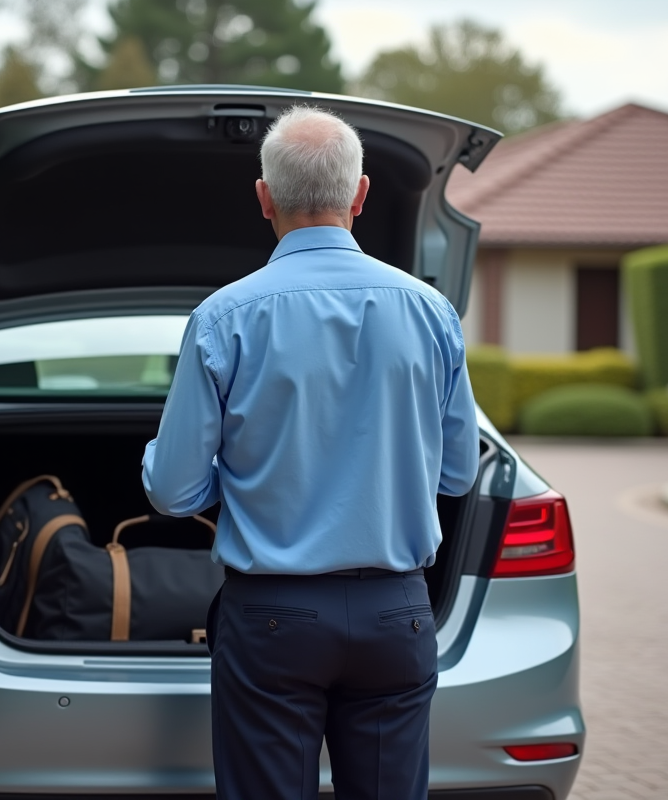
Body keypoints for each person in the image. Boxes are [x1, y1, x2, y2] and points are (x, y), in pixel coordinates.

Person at [141, 105, 480, 800]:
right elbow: (457, 471)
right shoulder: (431, 312)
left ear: (264, 197)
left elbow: (172, 492)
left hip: (272, 619)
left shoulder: (223, 318)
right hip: (398, 613)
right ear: (360, 195)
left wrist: (241, 480)